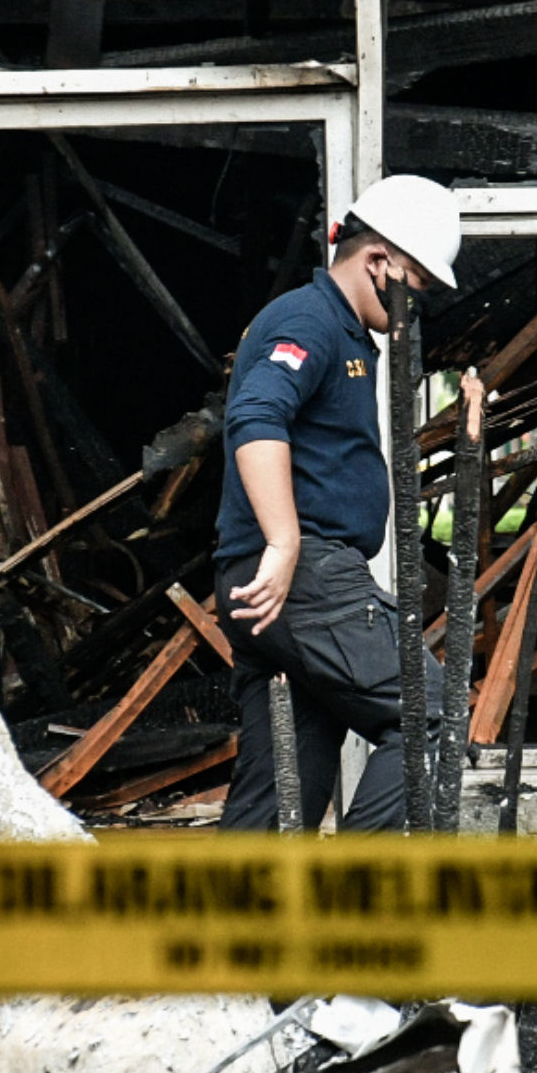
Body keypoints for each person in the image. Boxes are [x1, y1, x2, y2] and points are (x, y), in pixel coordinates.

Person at [217, 173, 463, 831]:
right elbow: (256, 418)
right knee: (429, 712)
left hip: (284, 585)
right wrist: (285, 544)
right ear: (378, 261)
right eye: (422, 284)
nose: (422, 303)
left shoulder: (343, 332)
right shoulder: (309, 320)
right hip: (304, 580)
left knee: (282, 793)